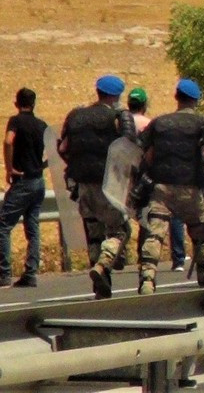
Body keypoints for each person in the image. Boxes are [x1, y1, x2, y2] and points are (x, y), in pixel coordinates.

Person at [138, 79, 204, 294]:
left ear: (176, 97)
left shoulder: (158, 122)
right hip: (190, 189)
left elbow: (138, 151)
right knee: (200, 234)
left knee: (155, 235)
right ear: (196, 100)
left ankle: (147, 279)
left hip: (161, 188)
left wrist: (142, 181)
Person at [60, 75, 136, 299]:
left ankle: (101, 286)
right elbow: (130, 147)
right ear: (116, 95)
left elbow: (63, 148)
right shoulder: (118, 116)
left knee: (94, 235)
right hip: (109, 186)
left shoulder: (75, 115)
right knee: (120, 231)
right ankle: (102, 266)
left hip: (83, 186)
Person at [0, 88, 49, 289]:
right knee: (33, 227)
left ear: (16, 104)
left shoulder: (16, 121)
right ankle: (30, 273)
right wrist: (41, 165)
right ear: (34, 103)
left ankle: (4, 275)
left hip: (23, 182)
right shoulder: (42, 125)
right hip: (38, 181)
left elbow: (8, 140)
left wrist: (9, 168)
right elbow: (59, 149)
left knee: (3, 227)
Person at [126, 88, 187, 273]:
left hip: (129, 174)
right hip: (151, 174)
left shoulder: (122, 123)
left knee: (140, 216)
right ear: (145, 105)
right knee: (171, 213)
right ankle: (178, 257)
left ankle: (139, 256)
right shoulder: (150, 124)